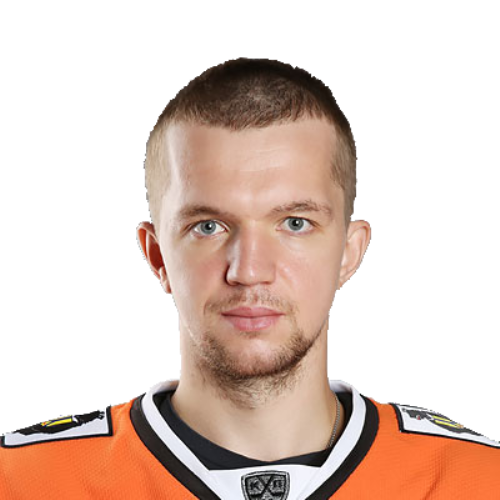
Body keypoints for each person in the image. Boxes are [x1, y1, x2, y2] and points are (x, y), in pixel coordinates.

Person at [1, 58, 498, 499]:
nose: (249, 271)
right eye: (208, 226)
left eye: (295, 223)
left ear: (350, 253)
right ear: (157, 256)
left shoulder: (478, 479)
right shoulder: (21, 481)